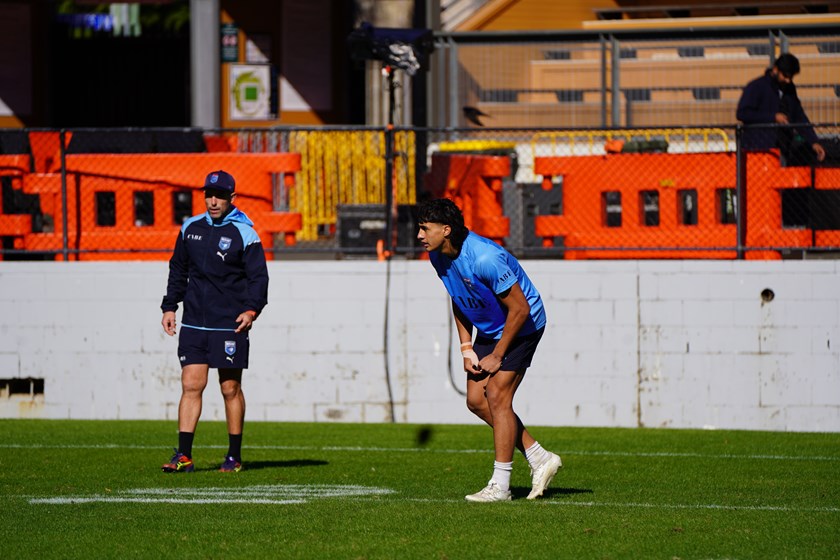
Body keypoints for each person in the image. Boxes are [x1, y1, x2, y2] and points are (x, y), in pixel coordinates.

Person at [416, 198, 562, 502]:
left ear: (446, 230)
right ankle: (538, 456)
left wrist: (498, 354)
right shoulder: (437, 256)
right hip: (492, 328)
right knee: (476, 401)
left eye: (424, 229)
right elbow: (458, 297)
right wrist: (466, 346)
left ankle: (501, 485)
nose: (419, 235)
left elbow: (520, 309)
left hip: (523, 325)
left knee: (496, 395)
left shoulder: (485, 258)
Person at [160, 170, 269, 473]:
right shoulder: (190, 228)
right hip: (194, 322)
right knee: (191, 384)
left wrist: (251, 310)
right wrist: (170, 307)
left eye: (219, 195)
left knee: (230, 388)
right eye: (208, 194)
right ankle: (184, 455)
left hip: (229, 324)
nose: (212, 201)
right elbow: (178, 269)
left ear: (232, 198)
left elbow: (258, 278)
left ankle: (233, 457)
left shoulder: (245, 233)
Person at [736, 53, 826, 164]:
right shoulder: (757, 86)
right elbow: (743, 113)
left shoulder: (789, 89)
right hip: (759, 150)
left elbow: (799, 115)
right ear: (775, 70)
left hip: (782, 149)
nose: (788, 80)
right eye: (785, 75)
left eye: (791, 77)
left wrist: (813, 141)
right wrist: (773, 117)